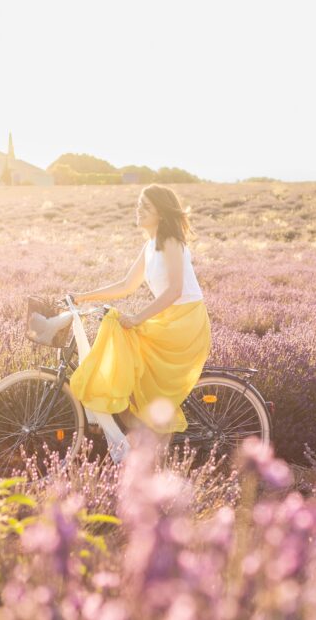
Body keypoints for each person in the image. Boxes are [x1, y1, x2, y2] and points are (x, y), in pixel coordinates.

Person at [68, 184, 211, 455]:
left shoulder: (170, 241)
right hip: (171, 319)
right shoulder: (150, 244)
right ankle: (147, 442)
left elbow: (175, 291)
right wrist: (83, 297)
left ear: (161, 213)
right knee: (131, 373)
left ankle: (153, 446)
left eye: (145, 207)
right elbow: (125, 284)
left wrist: (137, 318)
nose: (138, 210)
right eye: (138, 205)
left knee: (139, 369)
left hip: (185, 323)